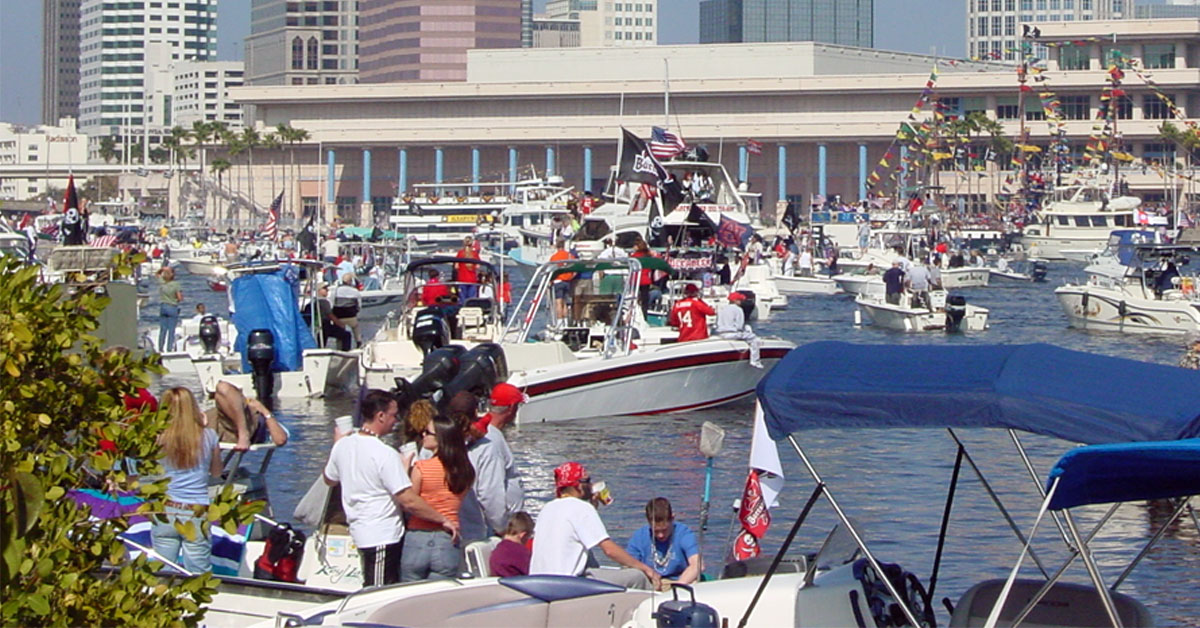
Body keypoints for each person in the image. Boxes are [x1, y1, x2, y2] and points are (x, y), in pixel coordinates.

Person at [323, 390, 459, 587]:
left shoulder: (343, 446)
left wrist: (337, 447)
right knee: (378, 593)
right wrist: (442, 519)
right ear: (380, 416)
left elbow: (329, 479)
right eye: (394, 415)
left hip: (360, 530)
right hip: (381, 535)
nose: (396, 421)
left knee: (378, 586)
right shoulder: (385, 454)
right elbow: (408, 500)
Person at [529, 462, 659, 590]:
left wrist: (593, 507)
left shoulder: (547, 508)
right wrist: (645, 568)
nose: (591, 485)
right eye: (588, 481)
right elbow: (609, 550)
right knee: (638, 576)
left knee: (588, 557)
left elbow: (576, 533)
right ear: (578, 486)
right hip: (567, 585)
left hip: (539, 583)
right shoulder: (582, 508)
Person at [152, 387, 223, 573]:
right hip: (195, 510)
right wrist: (205, 427)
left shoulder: (156, 438)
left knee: (162, 571)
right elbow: (217, 472)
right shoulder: (208, 436)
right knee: (198, 575)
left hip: (164, 509)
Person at [401, 414, 476, 582]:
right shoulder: (466, 471)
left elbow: (409, 503)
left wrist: (405, 471)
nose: (423, 435)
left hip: (418, 536)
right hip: (448, 538)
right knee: (438, 598)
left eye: (427, 432)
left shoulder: (421, 468)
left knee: (409, 596)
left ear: (440, 438)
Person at [472, 383, 526, 521]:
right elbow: (490, 492)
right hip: (496, 528)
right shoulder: (492, 441)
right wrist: (501, 526)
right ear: (512, 407)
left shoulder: (486, 432)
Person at [626, 498, 701, 590]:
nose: (660, 535)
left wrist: (678, 587)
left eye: (664, 530)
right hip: (651, 583)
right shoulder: (639, 536)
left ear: (672, 519)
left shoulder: (684, 533)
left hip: (679, 581)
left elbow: (697, 565)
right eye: (656, 531)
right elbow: (629, 565)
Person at [206, 380, 289, 451]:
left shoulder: (257, 414)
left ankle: (243, 433)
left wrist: (264, 411)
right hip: (213, 427)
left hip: (240, 426)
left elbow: (280, 440)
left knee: (223, 387)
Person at [715, 292, 762, 368]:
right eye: (740, 300)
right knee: (754, 338)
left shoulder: (722, 309)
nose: (741, 302)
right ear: (735, 300)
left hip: (721, 334)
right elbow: (739, 326)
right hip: (732, 334)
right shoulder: (738, 309)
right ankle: (755, 361)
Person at [307, 282, 352, 351]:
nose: (327, 290)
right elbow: (330, 315)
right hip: (324, 325)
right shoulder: (324, 302)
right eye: (325, 288)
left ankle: (320, 348)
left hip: (317, 325)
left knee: (322, 339)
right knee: (347, 335)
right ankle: (345, 351)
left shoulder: (312, 301)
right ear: (319, 290)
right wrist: (341, 324)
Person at [490, 512, 533, 577]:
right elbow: (536, 570)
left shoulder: (499, 549)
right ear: (523, 535)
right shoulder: (520, 553)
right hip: (517, 584)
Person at [331, 273, 363, 347]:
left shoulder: (336, 291)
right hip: (351, 316)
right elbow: (359, 306)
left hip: (339, 318)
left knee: (339, 331)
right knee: (356, 327)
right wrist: (355, 311)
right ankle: (358, 342)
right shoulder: (355, 291)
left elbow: (332, 303)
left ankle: (339, 346)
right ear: (350, 281)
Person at [157, 266, 183, 352]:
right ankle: (169, 348)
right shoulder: (176, 285)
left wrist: (163, 269)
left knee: (163, 329)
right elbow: (179, 298)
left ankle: (160, 348)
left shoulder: (162, 283)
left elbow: (157, 274)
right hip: (172, 306)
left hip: (163, 306)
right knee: (171, 330)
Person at [549, 240, 575, 321]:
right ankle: (566, 321)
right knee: (565, 303)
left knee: (558, 302)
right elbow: (575, 269)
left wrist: (550, 281)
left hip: (558, 281)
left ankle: (560, 322)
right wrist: (571, 277)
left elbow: (551, 270)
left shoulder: (554, 257)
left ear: (557, 247)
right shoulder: (569, 256)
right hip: (568, 281)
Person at [631, 240, 656, 315]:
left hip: (635, 280)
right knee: (645, 302)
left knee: (634, 300)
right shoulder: (648, 256)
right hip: (646, 280)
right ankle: (644, 316)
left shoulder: (634, 257)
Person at [455, 236, 480, 300]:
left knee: (463, 299)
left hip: (462, 279)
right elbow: (478, 266)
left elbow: (456, 266)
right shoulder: (474, 254)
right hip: (472, 279)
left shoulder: (460, 253)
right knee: (471, 299)